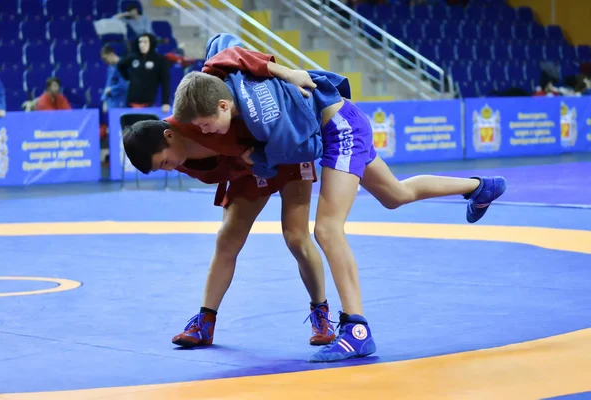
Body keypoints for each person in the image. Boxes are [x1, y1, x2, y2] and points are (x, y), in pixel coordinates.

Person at [172, 33, 507, 363]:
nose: (205, 132)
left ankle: (356, 330)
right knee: (396, 194)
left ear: (223, 104)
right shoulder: (227, 83)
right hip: (343, 121)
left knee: (327, 229)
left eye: (206, 124)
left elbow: (306, 149)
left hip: (338, 129)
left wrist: (254, 158)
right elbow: (231, 49)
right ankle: (478, 186)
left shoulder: (258, 109)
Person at [122, 115, 335, 348]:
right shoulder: (177, 155)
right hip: (248, 171)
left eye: (164, 162)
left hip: (285, 153)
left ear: (169, 135)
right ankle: (204, 323)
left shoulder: (197, 117)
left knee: (296, 237)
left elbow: (238, 101)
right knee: (226, 240)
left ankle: (321, 313)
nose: (171, 169)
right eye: (161, 168)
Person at [117, 33, 171, 113]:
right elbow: (120, 65)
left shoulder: (160, 60)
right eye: (140, 42)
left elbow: (165, 82)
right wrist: (128, 78)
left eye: (145, 42)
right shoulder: (133, 57)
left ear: (151, 43)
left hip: (149, 103)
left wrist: (165, 102)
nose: (142, 45)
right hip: (131, 102)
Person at [100, 45, 129, 110]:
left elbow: (124, 85)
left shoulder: (124, 64)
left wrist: (111, 89)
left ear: (111, 54)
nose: (105, 62)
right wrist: (104, 100)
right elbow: (108, 84)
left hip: (121, 101)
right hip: (111, 102)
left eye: (105, 59)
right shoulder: (110, 67)